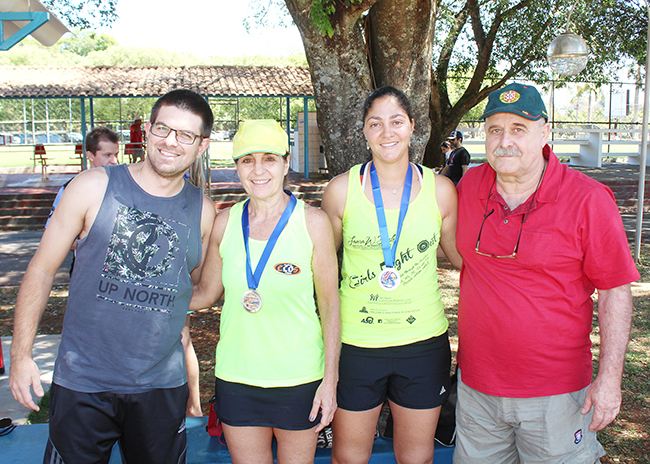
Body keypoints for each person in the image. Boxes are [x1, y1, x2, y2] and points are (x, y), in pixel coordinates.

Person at [10, 89, 216, 464]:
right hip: (83, 383)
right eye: (162, 129)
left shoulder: (203, 211)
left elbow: (193, 289)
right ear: (147, 133)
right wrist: (21, 354)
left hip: (159, 387)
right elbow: (41, 269)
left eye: (185, 135)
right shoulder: (93, 186)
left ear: (201, 146)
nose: (171, 141)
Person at [454, 82, 640, 463]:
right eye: (494, 129)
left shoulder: (588, 199)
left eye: (519, 128)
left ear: (545, 132)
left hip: (556, 394)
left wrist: (609, 380)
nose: (505, 141)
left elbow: (615, 291)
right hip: (477, 390)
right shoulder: (467, 186)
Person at [321, 86, 462, 464]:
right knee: (349, 457)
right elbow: (323, 267)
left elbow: (463, 260)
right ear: (364, 131)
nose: (387, 132)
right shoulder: (339, 191)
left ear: (413, 127)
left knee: (416, 458)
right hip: (356, 344)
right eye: (375, 123)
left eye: (396, 121)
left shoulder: (443, 191)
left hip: (422, 344)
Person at [190, 119, 340, 464]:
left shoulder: (314, 223)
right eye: (247, 160)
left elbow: (331, 306)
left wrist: (329, 382)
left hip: (300, 378)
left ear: (286, 163)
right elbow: (206, 293)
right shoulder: (224, 223)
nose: (258, 170)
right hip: (237, 377)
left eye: (269, 159)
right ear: (237, 167)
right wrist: (154, 300)